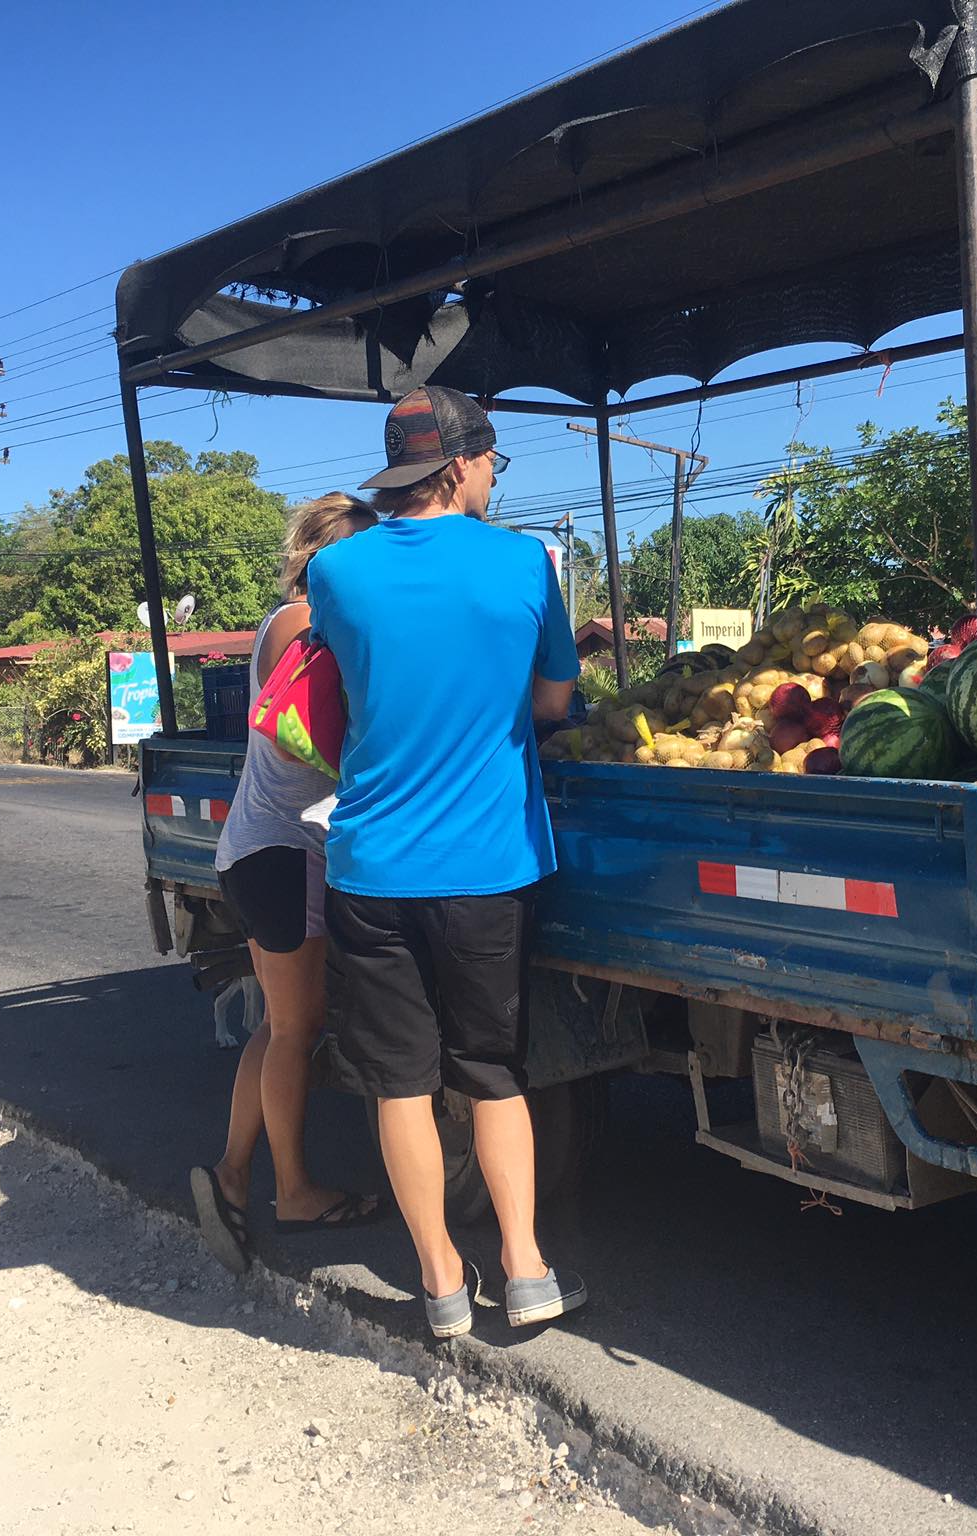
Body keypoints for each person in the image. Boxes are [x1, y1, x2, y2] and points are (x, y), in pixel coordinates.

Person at [310, 386, 583, 1338]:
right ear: (462, 467)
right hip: (486, 868)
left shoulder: (337, 573)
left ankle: (439, 1285)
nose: (493, 481)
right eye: (492, 465)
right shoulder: (522, 562)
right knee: (491, 1073)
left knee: (401, 1083)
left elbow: (354, 687)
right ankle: (529, 1267)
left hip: (374, 866)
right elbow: (552, 703)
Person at [189, 493, 384, 1275]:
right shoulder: (306, 624)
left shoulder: (284, 619)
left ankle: (233, 1176)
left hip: (257, 849)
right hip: (287, 850)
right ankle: (295, 1191)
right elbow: (328, 733)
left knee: (278, 1026)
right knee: (297, 1029)